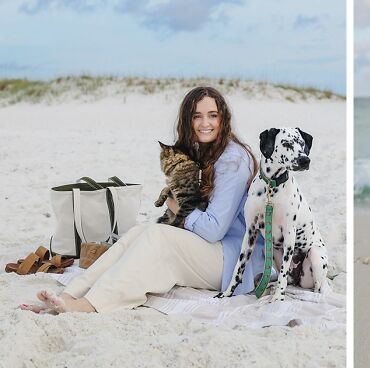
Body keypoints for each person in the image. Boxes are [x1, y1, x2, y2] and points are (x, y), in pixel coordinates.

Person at [21, 87, 267, 313]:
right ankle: (70, 294)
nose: (205, 123)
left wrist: (178, 207)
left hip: (232, 260)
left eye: (212, 115)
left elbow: (214, 230)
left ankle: (89, 305)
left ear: (223, 119)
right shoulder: (206, 150)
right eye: (196, 116)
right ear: (187, 120)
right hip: (213, 250)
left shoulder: (233, 160)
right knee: (141, 232)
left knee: (156, 237)